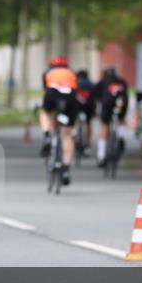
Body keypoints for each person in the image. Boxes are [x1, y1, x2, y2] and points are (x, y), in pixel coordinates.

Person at [39, 57, 80, 186]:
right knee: (67, 135)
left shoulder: (48, 72)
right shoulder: (72, 73)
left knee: (45, 113)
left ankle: (47, 135)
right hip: (70, 96)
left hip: (52, 92)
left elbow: (45, 88)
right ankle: (66, 168)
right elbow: (76, 88)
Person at [94, 67, 129, 166]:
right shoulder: (122, 81)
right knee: (121, 120)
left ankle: (101, 156)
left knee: (104, 126)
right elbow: (126, 95)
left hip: (107, 103)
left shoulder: (103, 81)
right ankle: (121, 137)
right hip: (121, 103)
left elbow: (96, 96)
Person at [75, 69, 97, 157]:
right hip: (89, 106)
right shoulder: (91, 84)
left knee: (75, 122)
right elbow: (95, 98)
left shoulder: (75, 83)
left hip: (77, 106)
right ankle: (87, 145)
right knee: (88, 123)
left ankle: (75, 138)